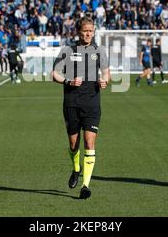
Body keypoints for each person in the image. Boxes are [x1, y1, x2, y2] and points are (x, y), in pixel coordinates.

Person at [52, 17, 110, 199]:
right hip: (71, 103)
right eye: (85, 30)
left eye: (91, 31)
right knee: (73, 144)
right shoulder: (68, 50)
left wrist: (104, 80)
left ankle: (85, 185)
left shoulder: (99, 51)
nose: (88, 34)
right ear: (78, 31)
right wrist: (69, 81)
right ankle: (76, 168)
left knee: (89, 142)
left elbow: (106, 72)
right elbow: (54, 74)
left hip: (92, 104)